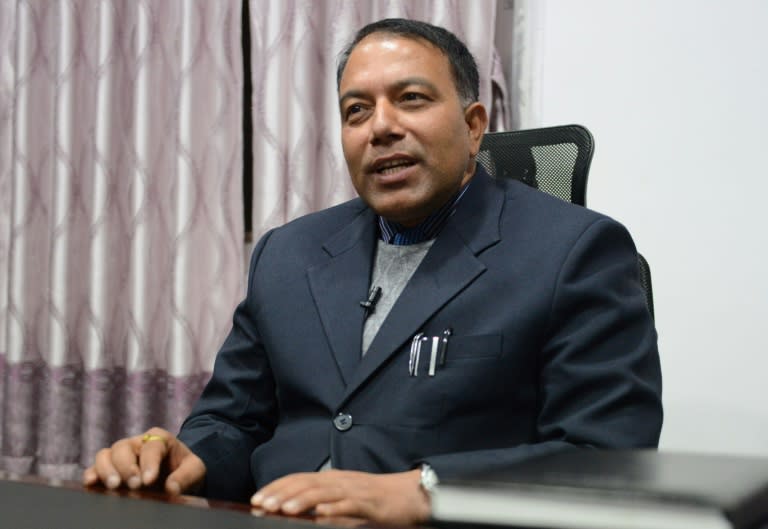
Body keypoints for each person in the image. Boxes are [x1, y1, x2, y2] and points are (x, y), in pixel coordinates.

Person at [83, 18, 662, 525]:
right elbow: (233, 420)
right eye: (356, 110)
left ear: (474, 125)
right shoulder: (288, 253)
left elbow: (606, 455)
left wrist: (424, 492)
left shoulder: (574, 251)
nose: (380, 127)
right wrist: (190, 458)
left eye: (410, 98)